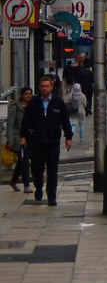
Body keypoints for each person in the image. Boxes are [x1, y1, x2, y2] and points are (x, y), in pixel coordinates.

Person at [19, 75, 73, 205]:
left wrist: (68, 137)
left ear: (51, 87)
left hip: (53, 142)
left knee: (52, 170)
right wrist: (23, 136)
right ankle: (38, 187)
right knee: (37, 169)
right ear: (39, 88)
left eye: (47, 86)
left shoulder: (58, 102)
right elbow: (25, 122)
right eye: (42, 86)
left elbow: (65, 120)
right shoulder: (33, 102)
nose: (44, 88)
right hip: (36, 142)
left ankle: (52, 196)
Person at [5, 87, 32, 193]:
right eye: (26, 94)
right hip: (18, 138)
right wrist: (10, 140)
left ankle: (13, 181)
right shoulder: (15, 108)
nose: (28, 96)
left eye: (30, 94)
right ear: (21, 95)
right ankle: (27, 185)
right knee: (24, 160)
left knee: (21, 161)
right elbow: (10, 125)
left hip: (29, 137)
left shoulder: (32, 107)